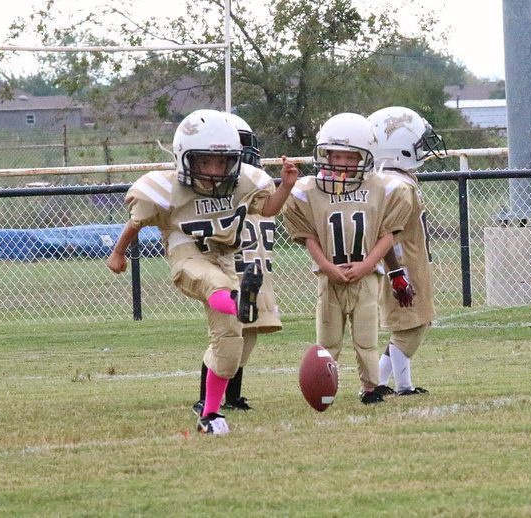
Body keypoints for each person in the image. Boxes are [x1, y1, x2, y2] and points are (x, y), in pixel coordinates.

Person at [107, 109, 298, 434]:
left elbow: (267, 209)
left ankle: (210, 415)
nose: (214, 171)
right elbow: (136, 222)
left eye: (222, 163)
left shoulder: (245, 182)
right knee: (214, 283)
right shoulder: (164, 188)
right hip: (187, 251)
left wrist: (286, 186)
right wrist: (118, 252)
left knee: (229, 345)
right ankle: (239, 300)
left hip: (226, 255)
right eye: (204, 162)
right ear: (185, 158)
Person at [282, 112, 412, 404]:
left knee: (367, 339)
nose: (341, 163)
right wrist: (326, 266)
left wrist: (367, 265)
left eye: (350, 157)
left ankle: (371, 388)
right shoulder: (308, 190)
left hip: (366, 278)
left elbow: (387, 235)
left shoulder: (383, 188)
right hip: (329, 279)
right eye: (335, 156)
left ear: (365, 156)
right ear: (325, 154)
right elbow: (308, 236)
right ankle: (323, 390)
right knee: (327, 342)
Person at [191, 112, 283, 416]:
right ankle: (206, 398)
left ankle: (233, 396)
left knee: (249, 335)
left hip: (256, 271)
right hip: (229, 273)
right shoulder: (213, 195)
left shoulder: (256, 186)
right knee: (226, 338)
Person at [367, 106, 445, 396]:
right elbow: (387, 233)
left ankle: (390, 383)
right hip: (401, 261)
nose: (423, 147)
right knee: (410, 325)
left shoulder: (391, 179)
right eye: (417, 141)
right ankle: (386, 384)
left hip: (406, 259)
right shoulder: (397, 185)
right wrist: (397, 273)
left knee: (413, 323)